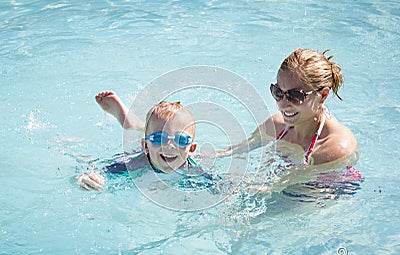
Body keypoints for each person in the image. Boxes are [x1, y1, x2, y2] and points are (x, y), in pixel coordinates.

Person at [218, 48, 359, 166]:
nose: (283, 104)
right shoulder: (275, 126)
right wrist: (203, 156)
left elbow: (295, 181)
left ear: (323, 95)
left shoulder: (335, 146)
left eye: (295, 96)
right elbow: (235, 150)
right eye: (278, 92)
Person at [77, 94, 199, 191]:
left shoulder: (193, 169)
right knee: (142, 132)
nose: (170, 145)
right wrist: (87, 177)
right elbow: (99, 169)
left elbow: (217, 187)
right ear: (145, 145)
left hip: (177, 152)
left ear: (192, 148)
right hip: (142, 152)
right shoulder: (134, 163)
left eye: (181, 140)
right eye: (159, 138)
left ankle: (132, 123)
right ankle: (130, 123)